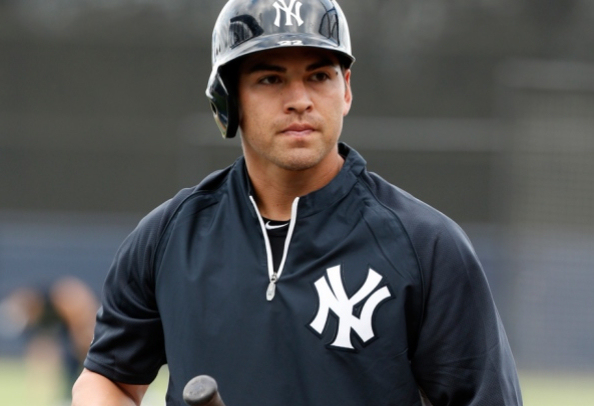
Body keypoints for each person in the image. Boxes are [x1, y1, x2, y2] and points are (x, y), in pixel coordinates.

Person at [72, 0, 523, 405]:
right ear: (228, 99)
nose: (300, 100)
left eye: (319, 76)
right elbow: (106, 380)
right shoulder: (169, 237)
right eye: (271, 78)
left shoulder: (428, 247)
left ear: (345, 89)